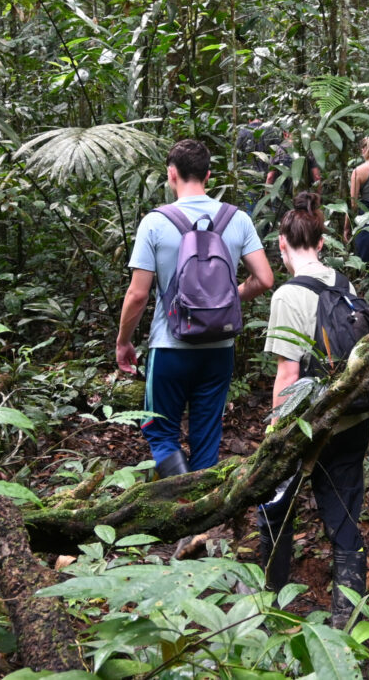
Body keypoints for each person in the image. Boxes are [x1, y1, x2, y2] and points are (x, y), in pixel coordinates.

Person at [116, 139, 274, 478]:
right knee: (206, 437)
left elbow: (138, 295)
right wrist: (225, 301)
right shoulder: (238, 219)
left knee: (159, 431)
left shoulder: (155, 223)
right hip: (218, 348)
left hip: (171, 345)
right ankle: (204, 524)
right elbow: (263, 279)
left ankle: (183, 507)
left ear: (171, 174)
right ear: (208, 175)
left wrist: (123, 342)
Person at [260, 191, 369, 626]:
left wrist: (274, 433)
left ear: (282, 245)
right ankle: (349, 623)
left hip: (307, 424)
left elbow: (288, 375)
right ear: (322, 243)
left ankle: (272, 609)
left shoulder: (288, 295)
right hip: (352, 418)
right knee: (344, 518)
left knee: (274, 509)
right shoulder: (346, 285)